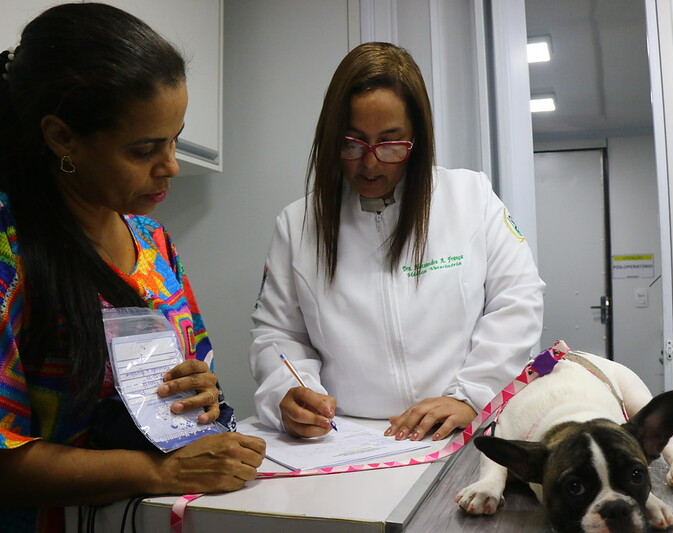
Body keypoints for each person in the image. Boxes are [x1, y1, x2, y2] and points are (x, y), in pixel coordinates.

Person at [0, 4, 265, 532]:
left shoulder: (154, 242)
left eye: (174, 138)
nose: (171, 165)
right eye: (145, 149)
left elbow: (198, 380)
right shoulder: (12, 251)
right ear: (62, 137)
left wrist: (202, 394)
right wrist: (158, 471)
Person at [250, 42, 545, 442]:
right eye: (352, 143)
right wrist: (292, 393)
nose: (370, 163)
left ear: (417, 139)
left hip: (462, 431)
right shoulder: (298, 224)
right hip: (347, 440)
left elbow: (517, 300)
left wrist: (469, 396)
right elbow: (277, 335)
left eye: (390, 143)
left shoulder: (470, 197)